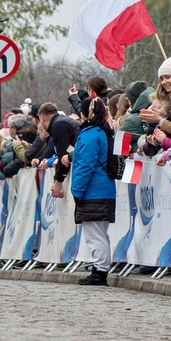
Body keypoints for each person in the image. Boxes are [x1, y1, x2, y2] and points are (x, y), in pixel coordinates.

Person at [70, 97, 117, 286]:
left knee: (94, 234)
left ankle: (100, 270)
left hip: (93, 191)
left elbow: (85, 165)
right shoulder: (104, 133)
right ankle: (101, 267)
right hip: (105, 189)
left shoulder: (90, 135)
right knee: (100, 233)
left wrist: (77, 190)